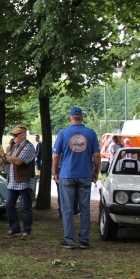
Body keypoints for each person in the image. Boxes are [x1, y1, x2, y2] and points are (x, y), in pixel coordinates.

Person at [52, 107, 100, 249]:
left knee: (67, 209)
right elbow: (97, 156)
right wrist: (96, 172)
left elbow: (56, 156)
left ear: (70, 118)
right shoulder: (90, 133)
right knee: (85, 208)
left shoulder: (63, 133)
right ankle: (84, 240)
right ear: (82, 118)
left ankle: (69, 240)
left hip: (67, 174)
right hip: (85, 174)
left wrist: (55, 172)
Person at [0, 125, 37, 240]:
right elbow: (7, 161)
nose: (13, 137)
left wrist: (4, 154)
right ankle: (15, 229)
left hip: (24, 181)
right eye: (12, 134)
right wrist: (2, 155)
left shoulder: (29, 147)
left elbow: (18, 161)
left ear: (23, 135)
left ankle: (27, 232)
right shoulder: (13, 146)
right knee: (9, 205)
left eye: (16, 134)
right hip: (12, 181)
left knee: (26, 207)